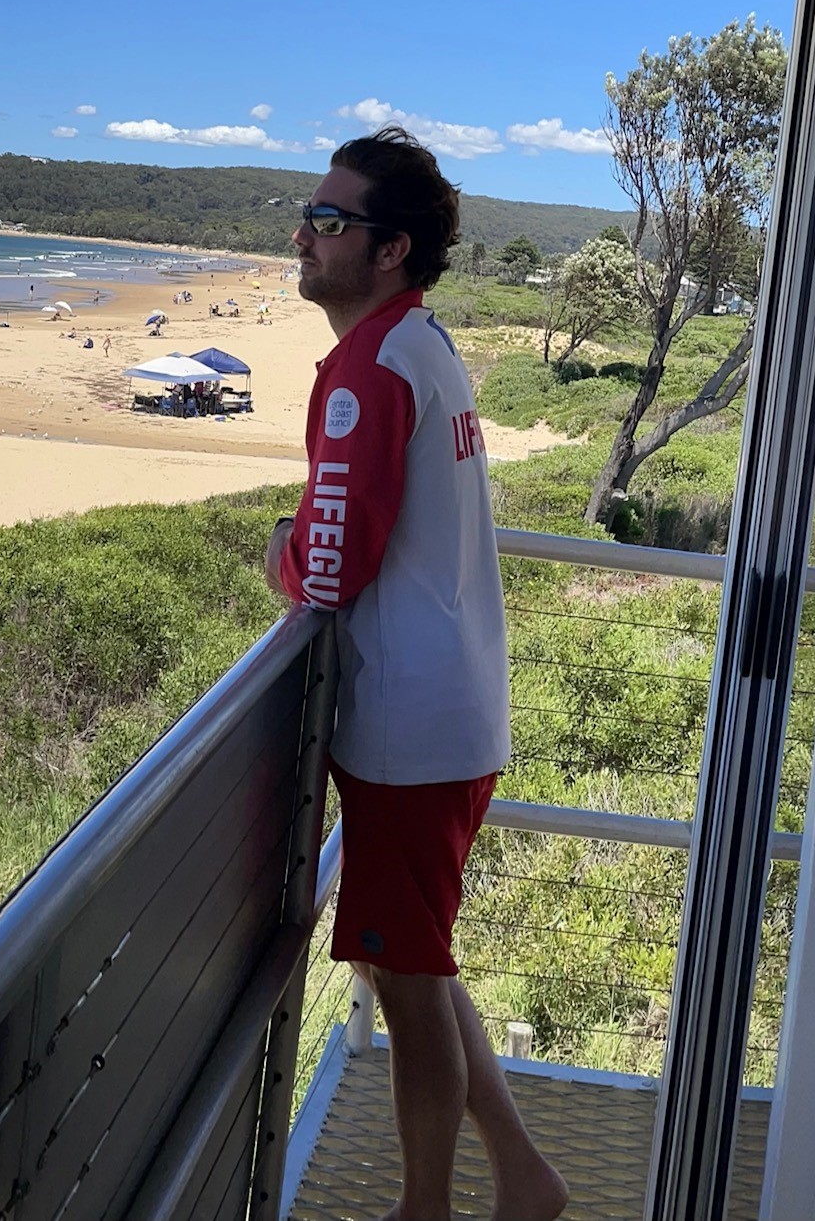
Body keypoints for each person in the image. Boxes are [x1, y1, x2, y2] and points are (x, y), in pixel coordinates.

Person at [275, 128, 556, 1221]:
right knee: (417, 967)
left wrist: (277, 553)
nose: (303, 232)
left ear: (386, 249)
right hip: (444, 716)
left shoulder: (369, 368)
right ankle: (525, 1177)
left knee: (407, 984)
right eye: (307, 214)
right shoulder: (422, 344)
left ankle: (423, 1208)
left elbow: (328, 567)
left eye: (329, 220)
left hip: (404, 733)